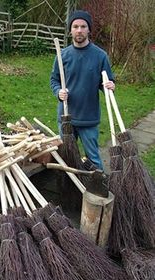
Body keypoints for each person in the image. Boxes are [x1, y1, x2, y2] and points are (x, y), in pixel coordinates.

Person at [50, 10, 115, 170]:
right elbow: (54, 80)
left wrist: (110, 85)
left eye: (83, 26)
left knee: (93, 159)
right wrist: (58, 91)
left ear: (89, 30)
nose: (79, 30)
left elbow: (107, 81)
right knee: (66, 159)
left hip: (89, 119)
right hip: (66, 118)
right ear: (70, 30)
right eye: (75, 26)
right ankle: (70, 188)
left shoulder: (100, 56)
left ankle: (99, 189)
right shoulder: (62, 55)